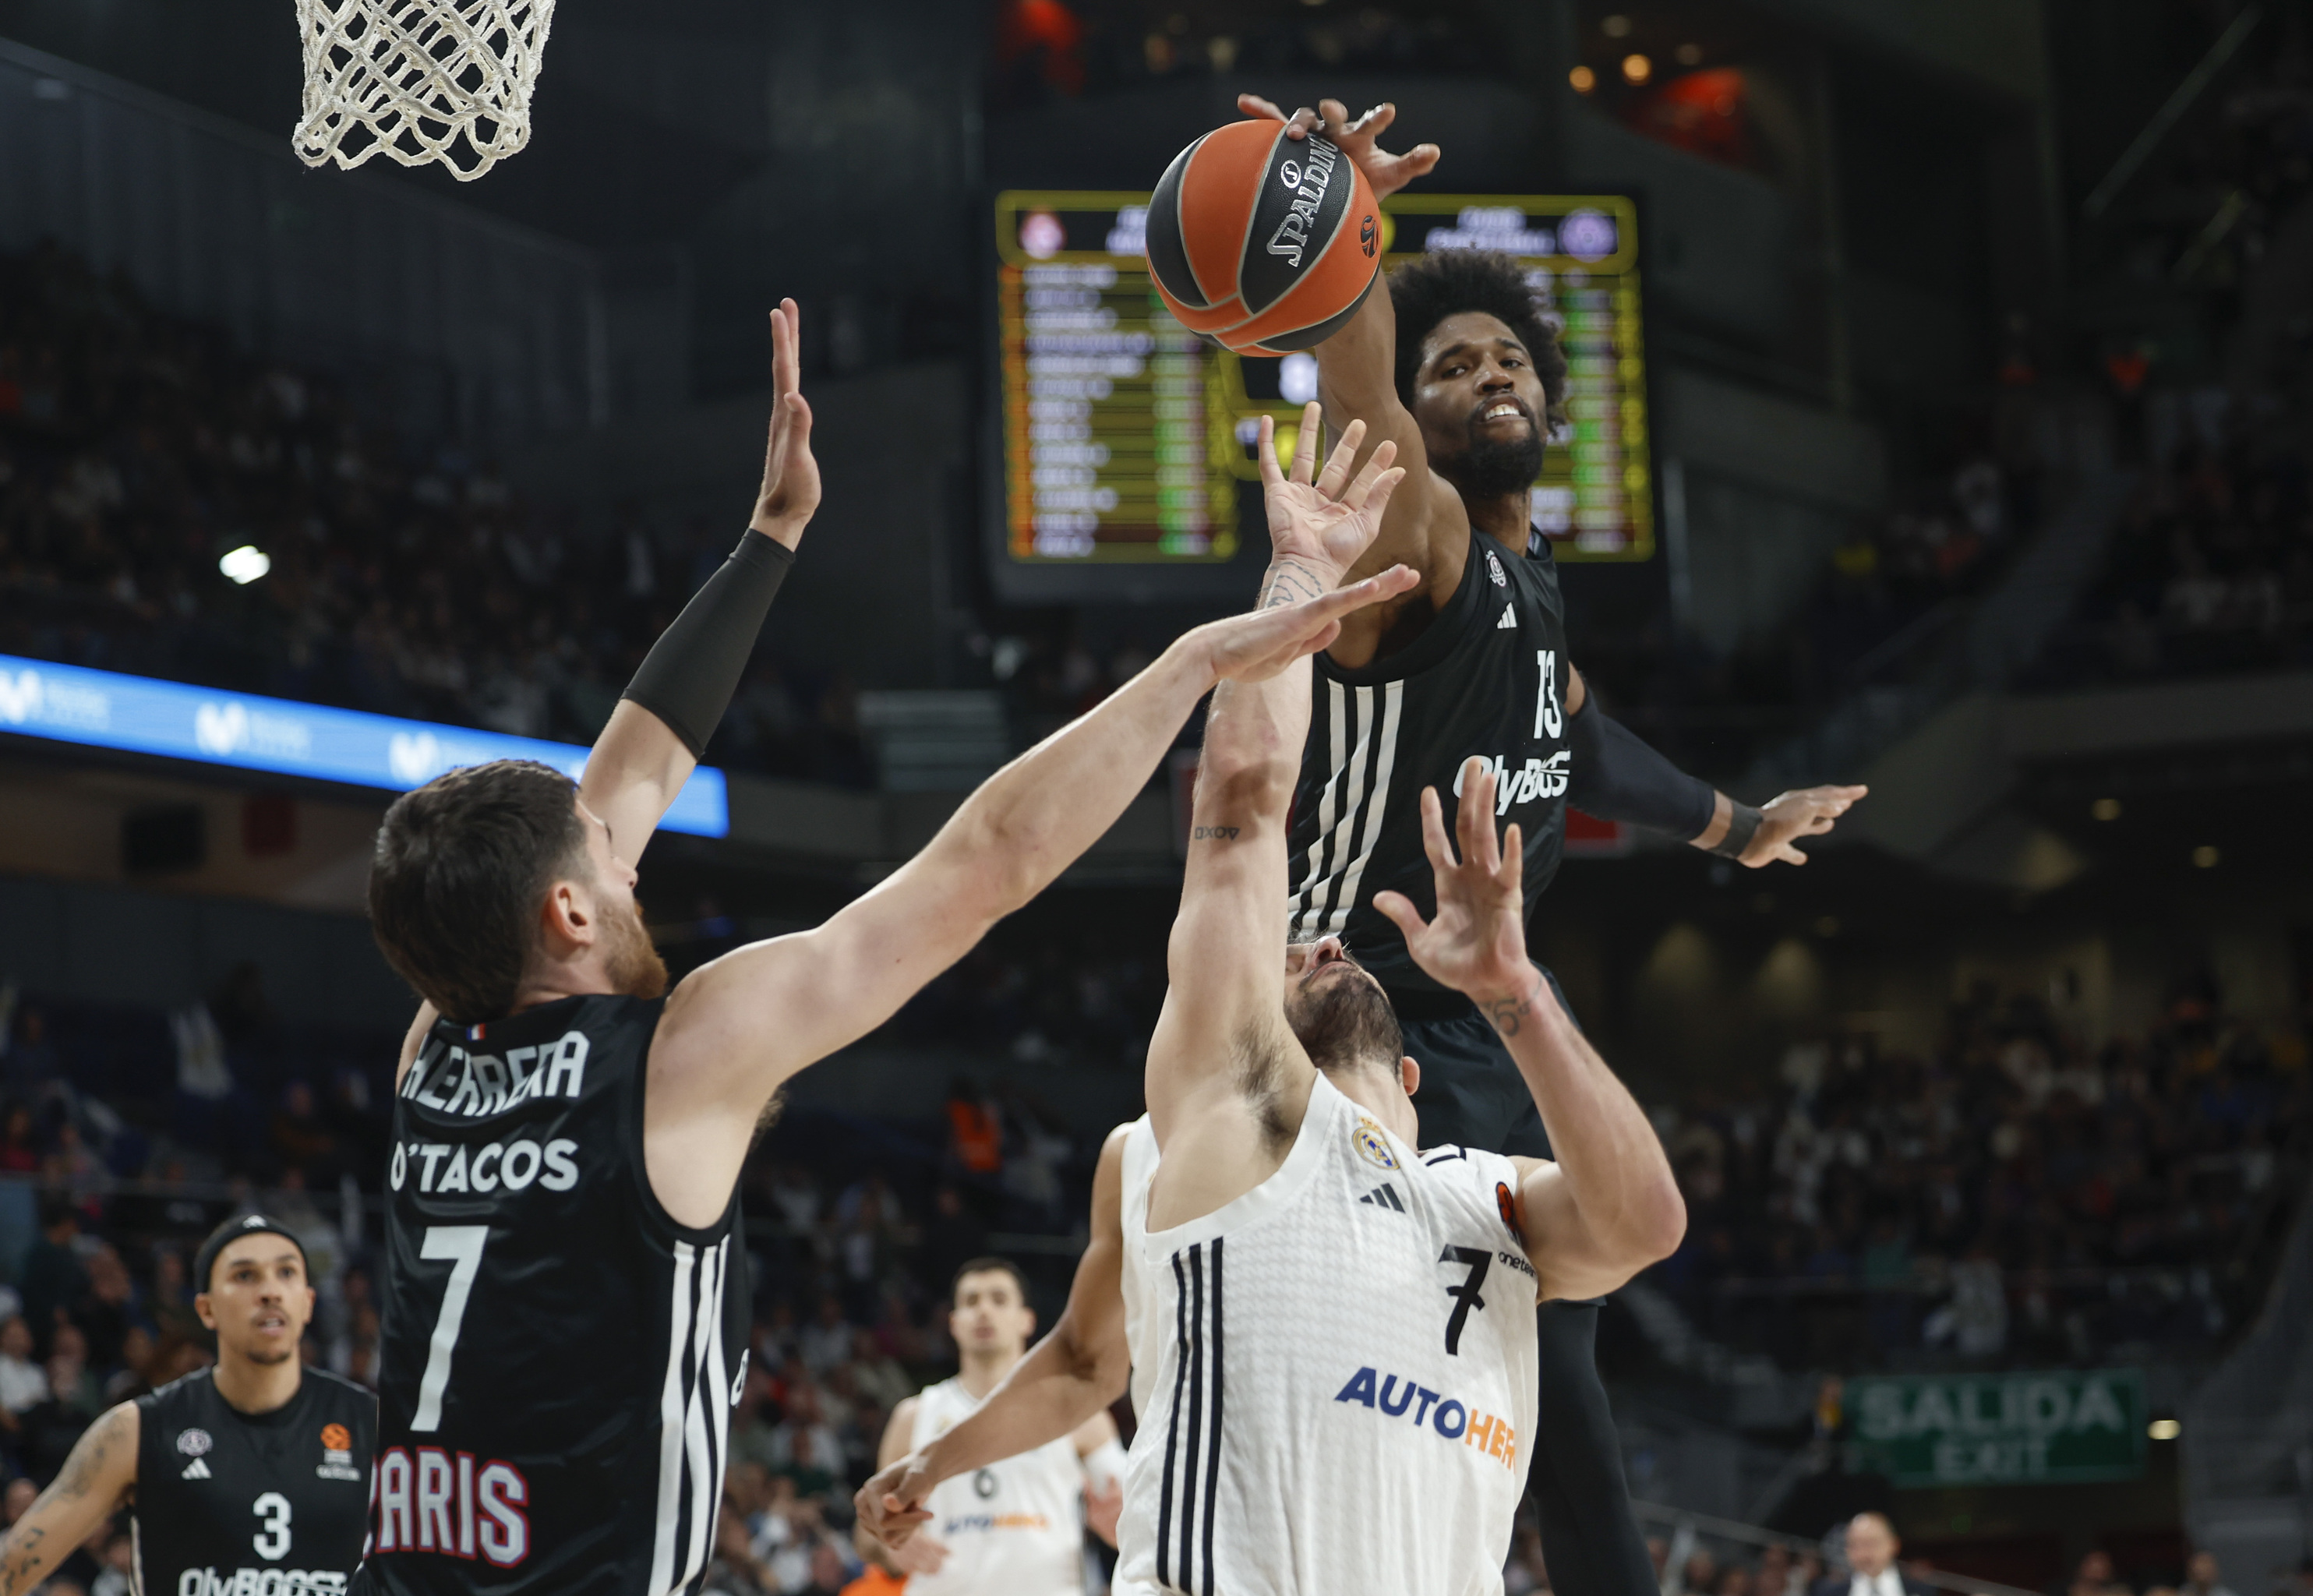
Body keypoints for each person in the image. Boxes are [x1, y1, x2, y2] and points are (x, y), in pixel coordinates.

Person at [350, 299, 1417, 1596]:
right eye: (599, 853)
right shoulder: (677, 1055)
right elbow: (983, 867)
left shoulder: (429, 1043)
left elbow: (630, 767)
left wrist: (771, 536)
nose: (623, 837)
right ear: (568, 915)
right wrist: (1192, 662)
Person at [867, 411, 1682, 1593]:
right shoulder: (1233, 1112)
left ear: (1414, 1076)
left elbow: (1645, 1225)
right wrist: (1300, 578)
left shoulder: (1482, 1202)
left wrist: (1516, 994)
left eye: (1328, 950)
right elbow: (1247, 806)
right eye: (1297, 951)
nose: (1318, 946)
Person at [1234, 90, 1869, 1596]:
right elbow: (1367, 412)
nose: (1484, 373)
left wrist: (1737, 826)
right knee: (1486, 1357)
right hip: (1345, 1005)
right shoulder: (1431, 533)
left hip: (1471, 1011)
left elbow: (1579, 740)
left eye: (1508, 357)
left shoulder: (1533, 587)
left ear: (1550, 403)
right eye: (1454, 364)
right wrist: (1348, 252)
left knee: (1547, 1353)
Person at [0, 1214, 375, 1596]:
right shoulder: (138, 1429)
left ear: (307, 1301)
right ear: (206, 1309)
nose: (269, 1292)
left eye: (286, 1273)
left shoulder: (373, 1425)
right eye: (245, 1275)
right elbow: (4, 1573)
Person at [861, 1259, 1121, 1594]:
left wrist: (1120, 1527)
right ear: (953, 1324)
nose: (984, 1310)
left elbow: (1133, 1509)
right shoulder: (914, 1416)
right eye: (971, 1301)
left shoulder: (1075, 1412)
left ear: (1026, 1320)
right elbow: (866, 1531)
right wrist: (889, 1543)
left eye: (998, 1300)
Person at [1812, 1513, 1934, 1596]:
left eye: (1871, 1543)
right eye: (1854, 1545)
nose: (1863, 1554)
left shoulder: (1921, 1590)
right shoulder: (1829, 1592)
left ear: (1893, 1545)